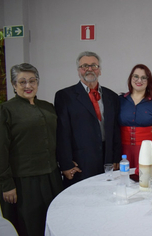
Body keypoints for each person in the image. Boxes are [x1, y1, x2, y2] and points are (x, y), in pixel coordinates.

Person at [0, 63, 63, 236]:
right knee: (30, 226)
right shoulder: (5, 110)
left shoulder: (47, 107)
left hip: (51, 176)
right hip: (23, 182)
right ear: (14, 85)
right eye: (22, 81)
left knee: (53, 220)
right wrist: (7, 184)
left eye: (32, 81)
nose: (28, 86)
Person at [55, 51, 121, 188]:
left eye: (94, 65)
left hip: (107, 161)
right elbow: (62, 133)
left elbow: (115, 130)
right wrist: (65, 164)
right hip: (80, 163)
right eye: (84, 66)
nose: (89, 69)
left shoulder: (112, 97)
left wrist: (116, 158)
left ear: (100, 70)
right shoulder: (64, 96)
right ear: (78, 70)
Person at [119, 64, 152, 168]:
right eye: (136, 76)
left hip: (147, 150)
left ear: (149, 81)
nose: (139, 80)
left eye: (144, 78)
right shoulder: (120, 100)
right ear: (131, 78)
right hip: (123, 151)